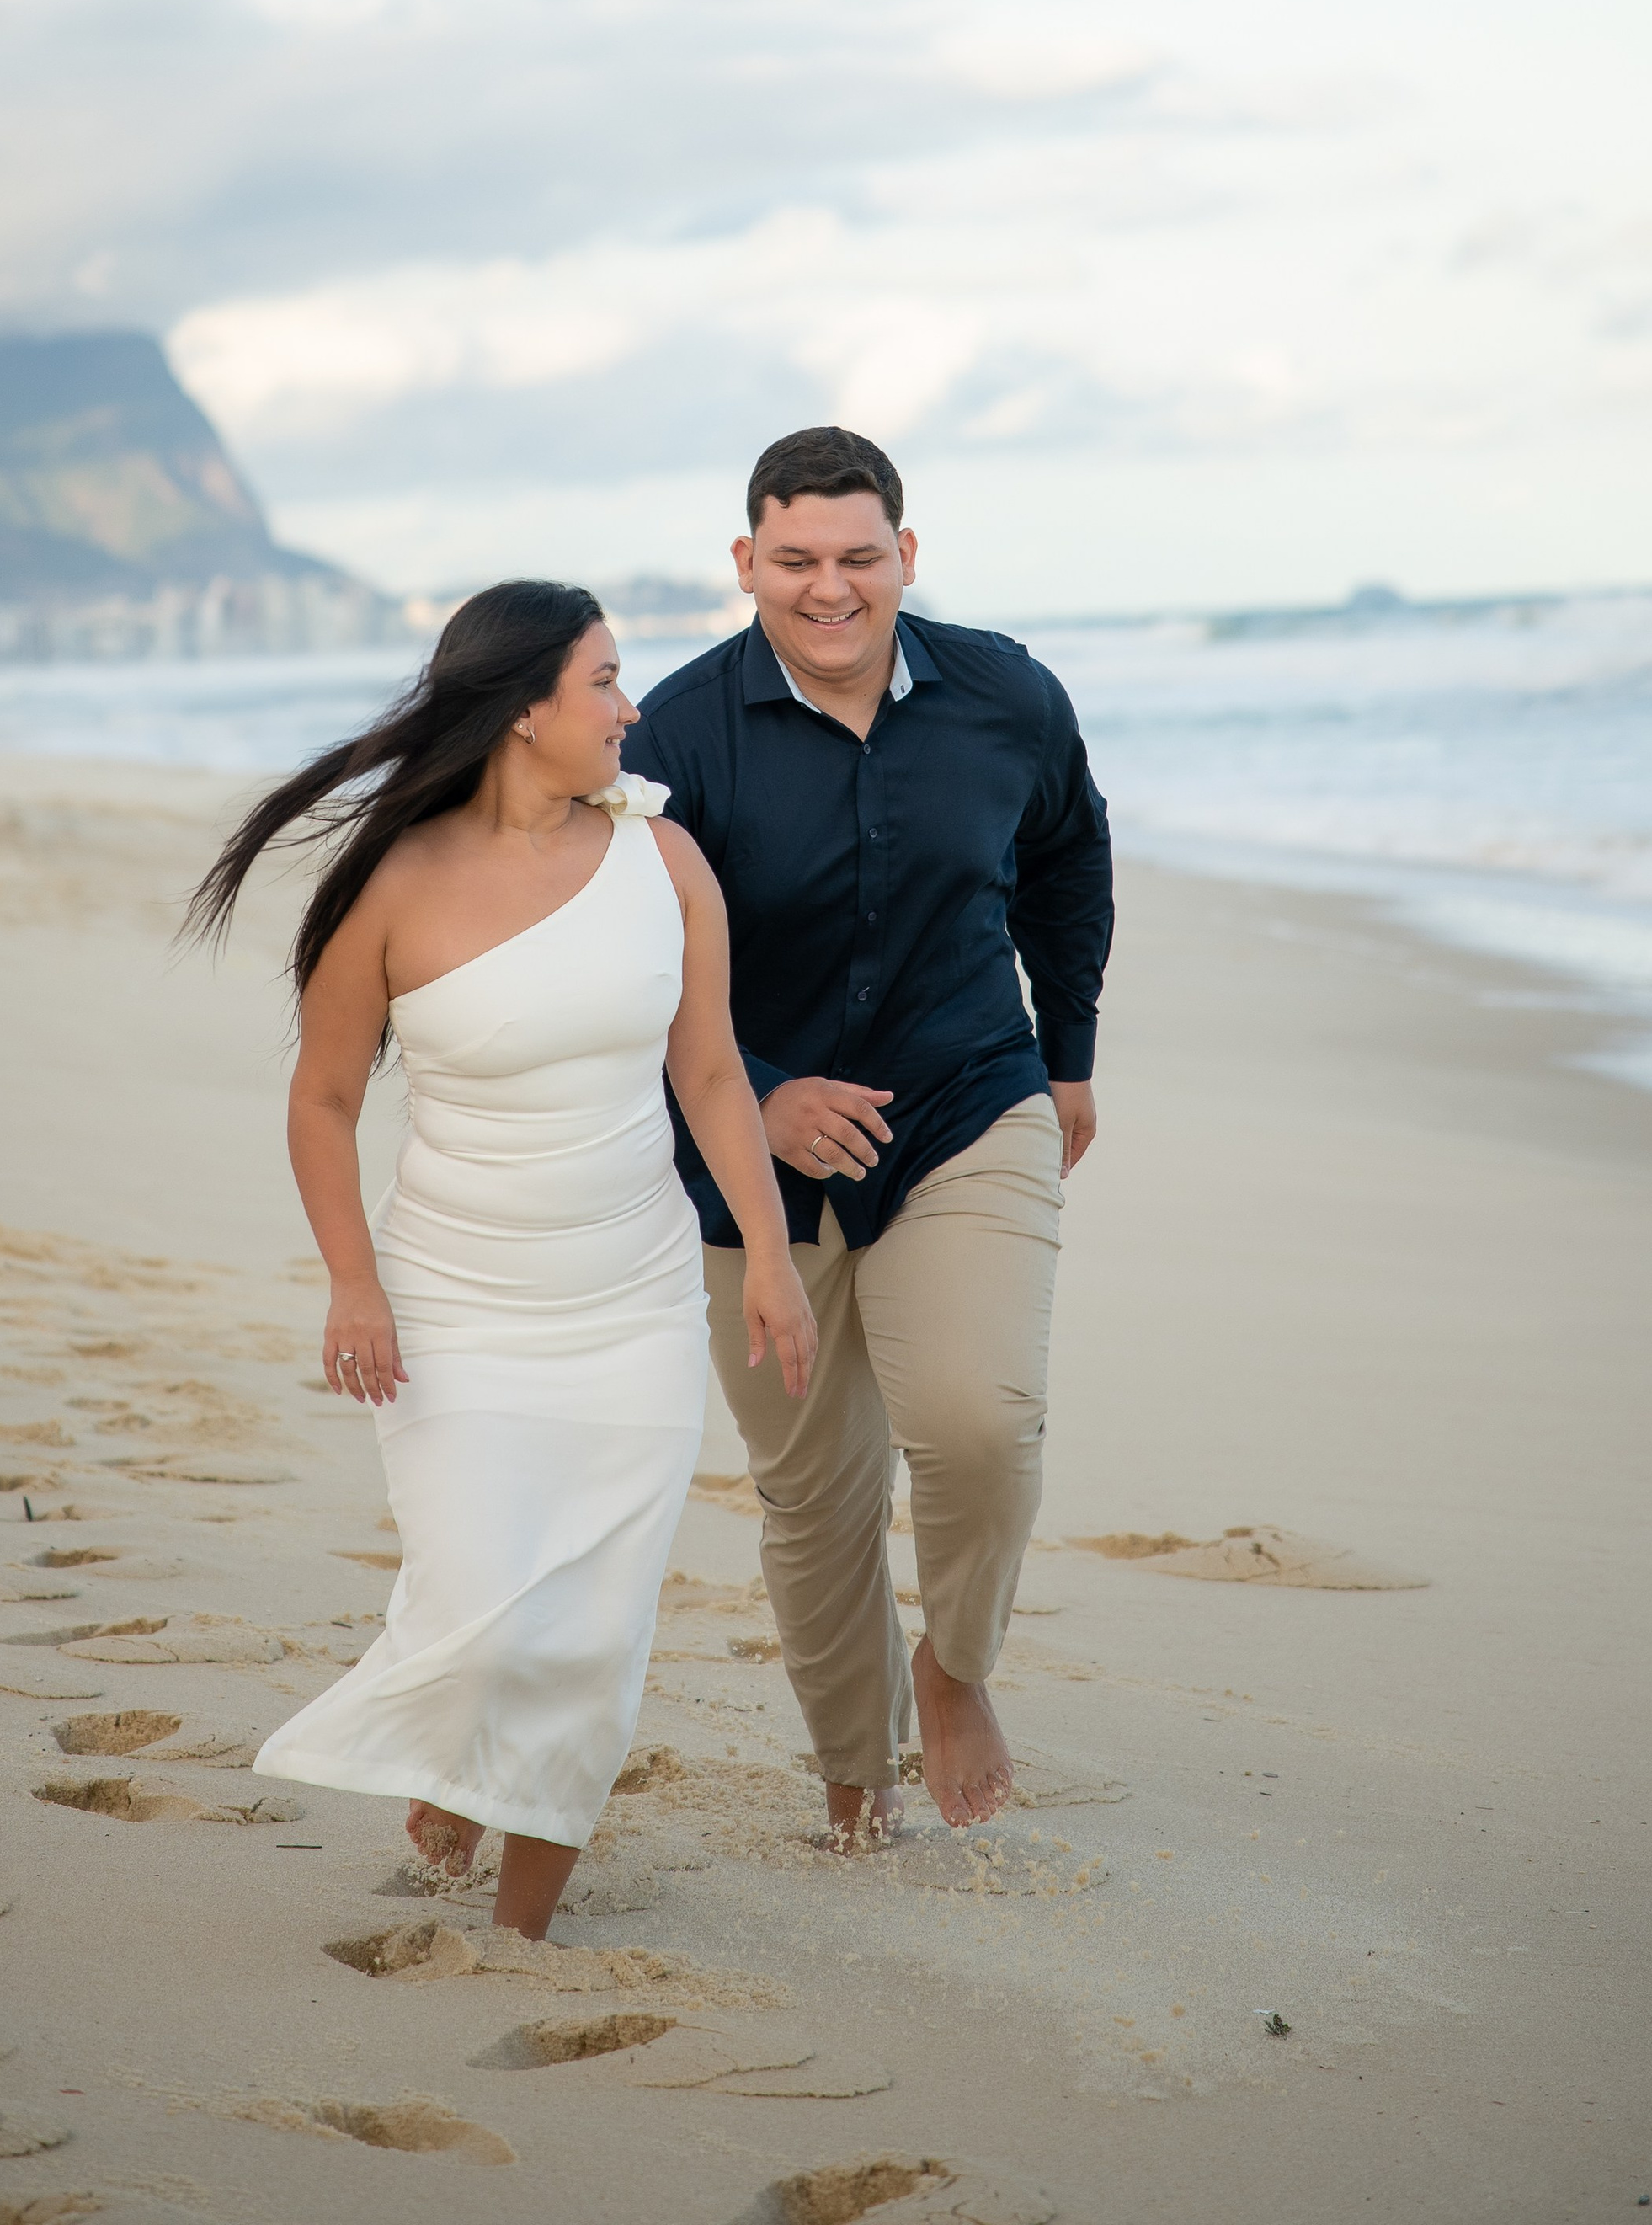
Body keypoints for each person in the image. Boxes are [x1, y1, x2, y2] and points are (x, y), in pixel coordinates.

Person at [185, 582, 814, 1940]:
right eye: (603, 681)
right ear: (526, 710)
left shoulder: (668, 862)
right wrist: (352, 1282)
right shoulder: (398, 886)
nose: (630, 707)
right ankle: (458, 1769)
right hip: (456, 1304)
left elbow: (708, 1071)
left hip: (634, 1298)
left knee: (591, 1631)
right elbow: (325, 1100)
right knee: (484, 1603)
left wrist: (766, 1253)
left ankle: (523, 1929)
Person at [620, 428, 1113, 1848]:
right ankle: (855, 1783)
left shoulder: (1006, 695)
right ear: (745, 563)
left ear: (908, 553)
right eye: (795, 561)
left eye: (858, 557)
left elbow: (1071, 856)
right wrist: (761, 1089)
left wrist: (1066, 1056)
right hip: (744, 1155)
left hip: (968, 1097)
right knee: (814, 1493)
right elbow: (636, 956)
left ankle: (954, 1670)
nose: (828, 590)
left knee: (977, 1422)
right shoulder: (678, 735)